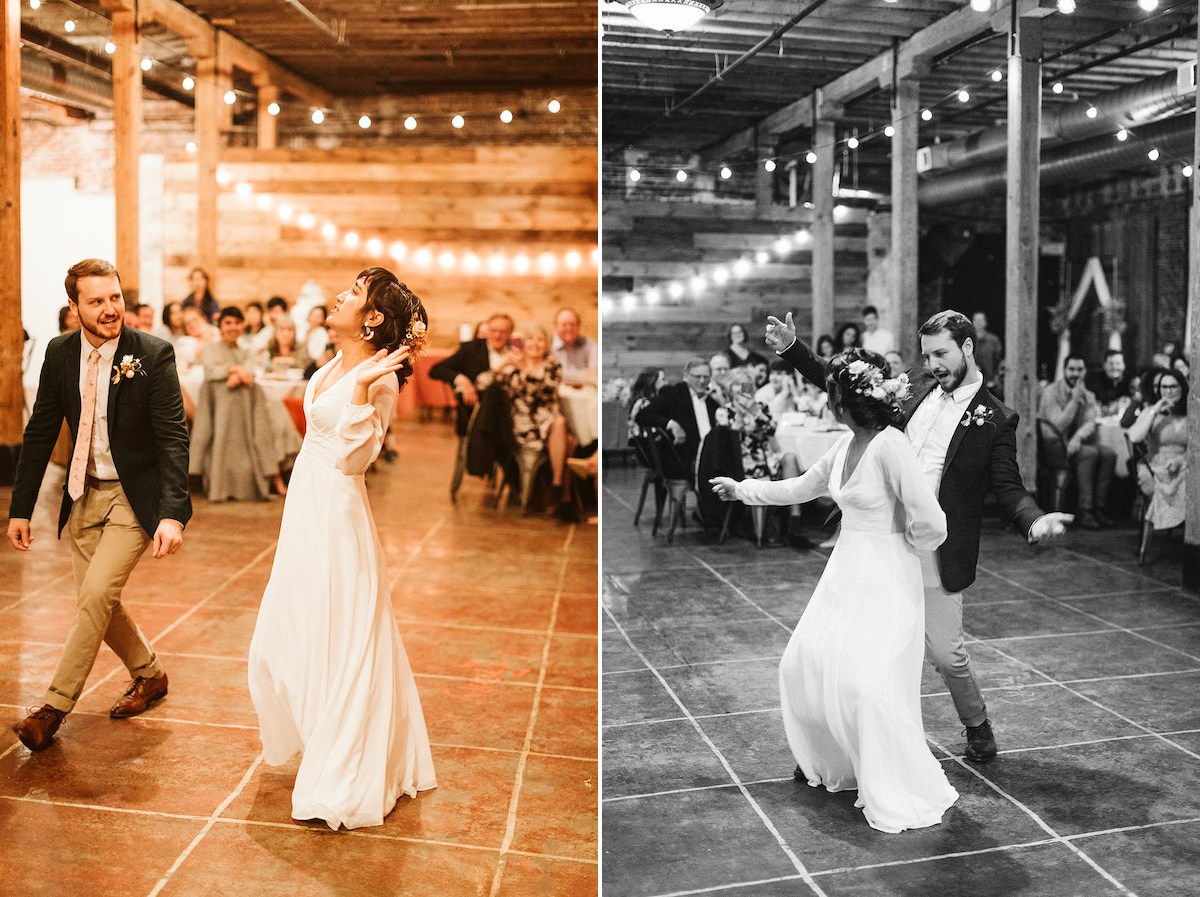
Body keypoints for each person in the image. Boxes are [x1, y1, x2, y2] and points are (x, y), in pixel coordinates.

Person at [765, 309, 1071, 763]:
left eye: (942, 354)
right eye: (928, 355)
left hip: (935, 547)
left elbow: (1009, 488)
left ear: (968, 347)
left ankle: (976, 724)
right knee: (859, 646)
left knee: (946, 655)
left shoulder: (995, 419)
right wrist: (794, 349)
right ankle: (840, 749)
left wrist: (1034, 522)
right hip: (882, 539)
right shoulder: (918, 386)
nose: (933, 365)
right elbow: (849, 381)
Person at [711, 349, 957, 832]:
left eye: (833, 393)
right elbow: (800, 487)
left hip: (886, 575)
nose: (828, 400)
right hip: (845, 573)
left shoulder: (890, 445)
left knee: (869, 685)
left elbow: (933, 521)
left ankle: (890, 777)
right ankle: (831, 759)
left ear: (847, 401)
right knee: (800, 663)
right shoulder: (844, 446)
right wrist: (743, 489)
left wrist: (904, 545)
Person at [248, 266, 436, 830]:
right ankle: (317, 725)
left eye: (353, 293)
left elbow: (358, 459)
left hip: (337, 514)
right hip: (306, 506)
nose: (339, 296)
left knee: (345, 633)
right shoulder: (333, 361)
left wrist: (359, 389)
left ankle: (346, 760)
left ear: (372, 318)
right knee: (288, 633)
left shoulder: (377, 378)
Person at [7, 258, 190, 751]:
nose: (111, 310)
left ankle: (52, 708)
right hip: (83, 493)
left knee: (93, 598)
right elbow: (41, 429)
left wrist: (172, 512)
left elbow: (174, 437)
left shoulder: (152, 353)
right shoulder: (60, 351)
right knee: (100, 604)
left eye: (115, 298)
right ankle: (150, 675)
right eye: (97, 301)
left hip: (134, 498)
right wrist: (20, 508)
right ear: (74, 307)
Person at [487, 323, 575, 517]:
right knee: (566, 436)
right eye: (531, 338)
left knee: (562, 428)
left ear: (547, 344)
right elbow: (483, 383)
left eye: (540, 339)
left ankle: (557, 488)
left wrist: (523, 370)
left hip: (547, 420)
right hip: (524, 425)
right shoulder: (512, 365)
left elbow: (545, 393)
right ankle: (562, 494)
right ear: (523, 343)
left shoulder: (552, 365)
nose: (535, 343)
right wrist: (502, 365)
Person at [1038, 353, 1116, 530]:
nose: (1076, 373)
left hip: (1075, 443)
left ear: (1085, 371)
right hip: (1053, 446)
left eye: (1080, 369)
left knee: (1108, 454)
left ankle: (1099, 506)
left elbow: (1090, 422)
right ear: (1064, 370)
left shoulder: (1088, 394)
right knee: (1090, 453)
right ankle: (1084, 509)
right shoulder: (1051, 392)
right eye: (1071, 369)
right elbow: (1058, 424)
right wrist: (1074, 401)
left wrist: (1077, 438)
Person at [429, 312, 515, 436]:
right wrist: (460, 379)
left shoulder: (515, 352)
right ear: (488, 331)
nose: (497, 335)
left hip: (507, 420)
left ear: (510, 333)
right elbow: (436, 370)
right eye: (493, 330)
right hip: (475, 417)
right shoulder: (472, 349)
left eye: (502, 332)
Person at [634, 357, 718, 482]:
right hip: (685, 458)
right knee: (714, 468)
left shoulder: (713, 399)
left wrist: (721, 399)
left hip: (713, 453)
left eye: (706, 377)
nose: (702, 381)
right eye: (697, 376)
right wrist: (671, 424)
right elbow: (642, 415)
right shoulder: (674, 394)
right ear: (686, 376)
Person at [1127, 368, 1187, 532]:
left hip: (1184, 464)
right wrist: (1154, 410)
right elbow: (1134, 437)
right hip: (1154, 467)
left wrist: (1181, 460)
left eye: (1173, 387)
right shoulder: (1150, 412)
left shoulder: (1193, 414)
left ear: (1182, 387)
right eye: (1164, 387)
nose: (1169, 391)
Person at [550, 307, 598, 385]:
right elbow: (551, 376)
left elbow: (595, 375)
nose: (569, 328)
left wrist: (561, 374)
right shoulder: (549, 346)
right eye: (564, 325)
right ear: (556, 327)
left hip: (587, 394)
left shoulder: (590, 344)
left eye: (572, 324)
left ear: (578, 327)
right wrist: (585, 374)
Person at [1086, 349, 1134, 417]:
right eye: (1111, 364)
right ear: (1104, 365)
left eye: (1118, 364)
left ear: (1124, 365)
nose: (1114, 367)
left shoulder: (1131, 381)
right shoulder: (1094, 381)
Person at [626, 367, 665, 442]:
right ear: (652, 382)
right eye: (663, 379)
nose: (666, 383)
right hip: (650, 446)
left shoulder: (644, 401)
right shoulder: (644, 404)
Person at [971, 312, 1003, 391]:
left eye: (980, 320)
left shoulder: (993, 340)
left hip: (991, 383)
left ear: (985, 322)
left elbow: (999, 360)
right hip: (973, 384)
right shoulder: (968, 341)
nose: (978, 323)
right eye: (976, 320)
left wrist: (997, 378)